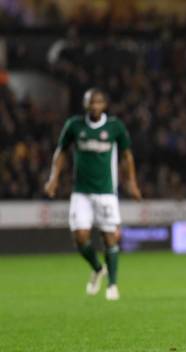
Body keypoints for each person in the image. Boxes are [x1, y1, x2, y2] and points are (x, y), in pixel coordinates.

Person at [44, 88, 141, 301]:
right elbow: (61, 151)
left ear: (104, 105)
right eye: (90, 103)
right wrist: (54, 178)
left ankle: (113, 285)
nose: (94, 106)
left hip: (106, 192)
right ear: (85, 105)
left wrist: (132, 183)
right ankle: (98, 268)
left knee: (109, 238)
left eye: (97, 103)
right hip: (81, 192)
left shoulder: (115, 127)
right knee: (79, 238)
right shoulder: (74, 125)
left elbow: (127, 155)